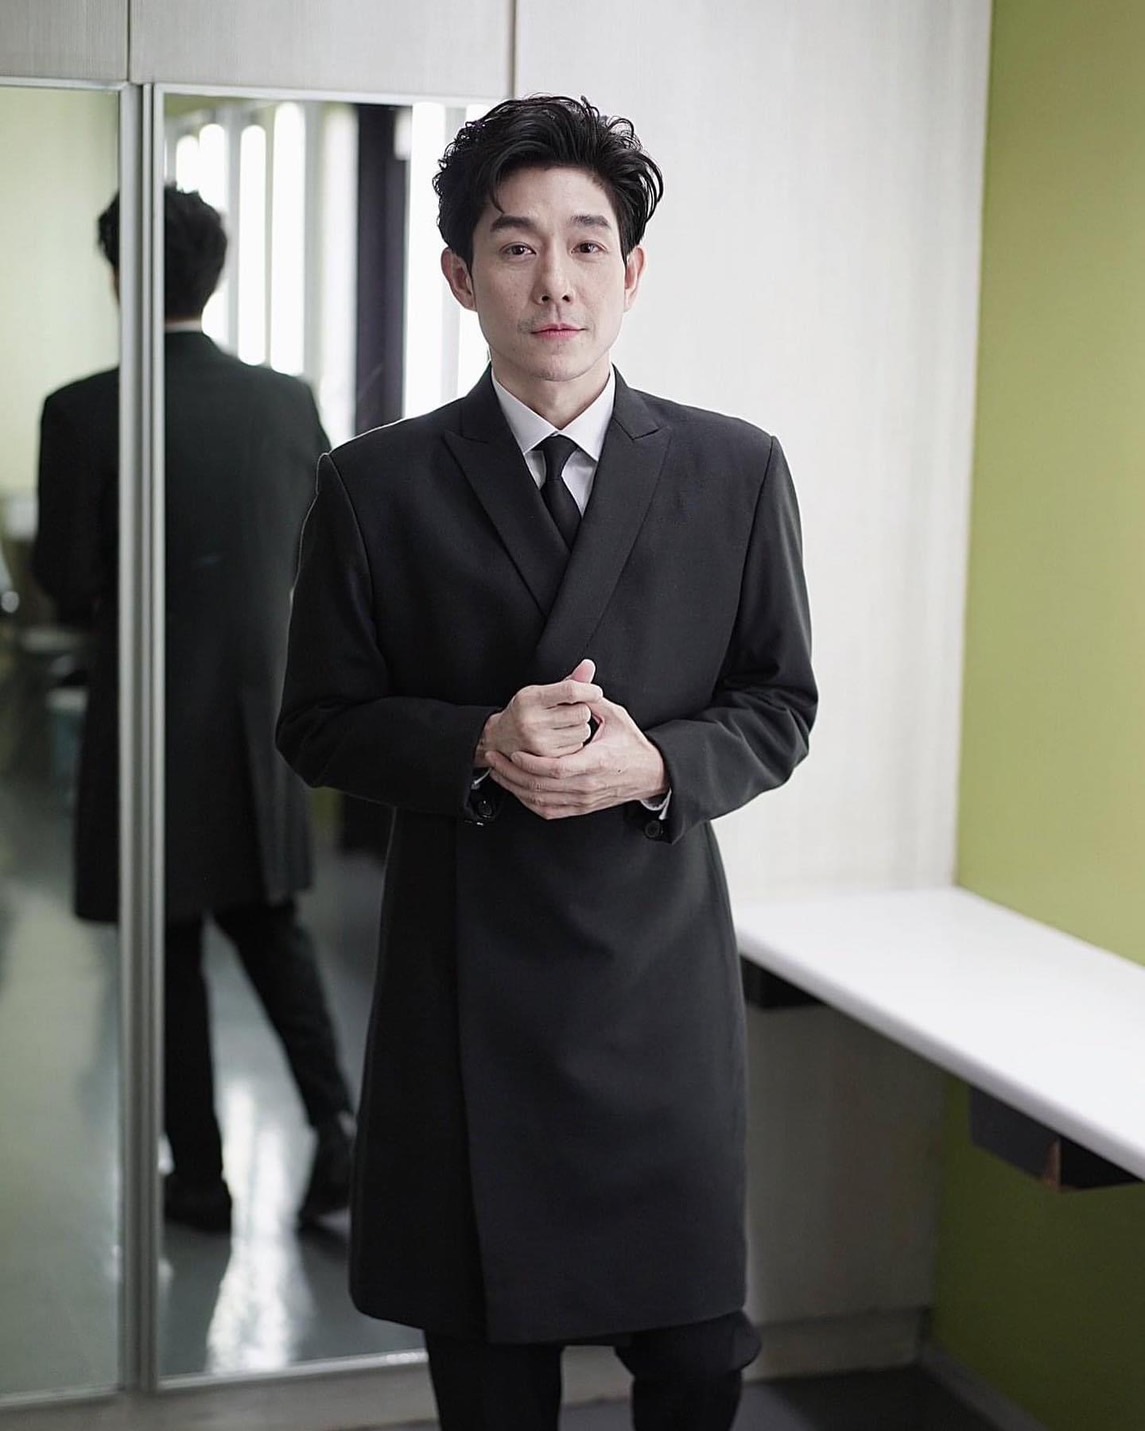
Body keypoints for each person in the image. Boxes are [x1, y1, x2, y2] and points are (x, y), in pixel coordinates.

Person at [277, 96, 816, 1429]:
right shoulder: (373, 485)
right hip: (467, 990)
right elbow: (319, 721)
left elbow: (778, 704)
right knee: (490, 1376)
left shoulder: (734, 470)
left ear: (632, 271)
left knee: (695, 1362)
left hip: (656, 988)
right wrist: (474, 740)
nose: (555, 280)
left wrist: (657, 764)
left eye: (586, 244)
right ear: (461, 275)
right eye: (516, 246)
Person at [33, 185, 355, 1235]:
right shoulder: (285, 403)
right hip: (259, 716)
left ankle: (201, 1177)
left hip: (143, 719)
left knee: (165, 954)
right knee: (274, 933)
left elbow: (67, 580)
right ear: (212, 276)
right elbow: (317, 553)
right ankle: (339, 1135)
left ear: (119, 279)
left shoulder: (82, 411)